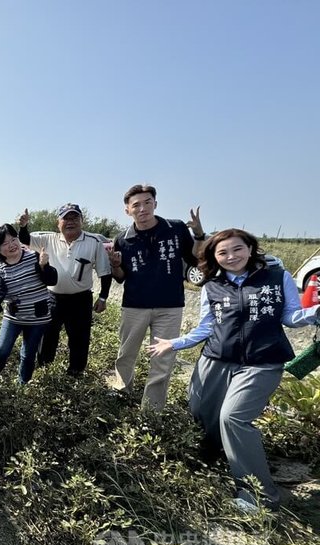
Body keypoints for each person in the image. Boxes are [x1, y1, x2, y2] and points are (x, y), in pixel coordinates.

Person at [148, 229, 318, 511]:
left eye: (237, 249)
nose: (231, 256)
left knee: (233, 418)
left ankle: (258, 495)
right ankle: (215, 460)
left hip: (261, 362)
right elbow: (205, 327)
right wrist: (174, 343)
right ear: (214, 257)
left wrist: (315, 313)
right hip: (216, 358)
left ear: (250, 249)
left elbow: (291, 316)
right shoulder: (212, 285)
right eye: (222, 252)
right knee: (202, 411)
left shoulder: (277, 277)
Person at [108, 184, 206, 411]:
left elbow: (195, 260)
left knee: (163, 360)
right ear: (127, 210)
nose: (142, 209)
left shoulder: (176, 229)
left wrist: (199, 234)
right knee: (126, 353)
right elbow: (121, 277)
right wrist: (115, 265)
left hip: (169, 307)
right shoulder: (122, 239)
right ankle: (122, 394)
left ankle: (151, 411)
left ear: (155, 204)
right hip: (134, 306)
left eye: (147, 203)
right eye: (136, 205)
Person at [17, 204, 112, 376]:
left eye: (75, 218)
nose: (70, 222)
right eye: (66, 218)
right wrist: (23, 226)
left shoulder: (94, 242)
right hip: (52, 297)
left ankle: (75, 373)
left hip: (81, 300)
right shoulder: (48, 239)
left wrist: (103, 297)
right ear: (58, 222)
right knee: (47, 337)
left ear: (82, 221)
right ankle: (45, 370)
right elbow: (25, 240)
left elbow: (105, 272)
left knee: (79, 339)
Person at [0, 224, 58, 384]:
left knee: (28, 355)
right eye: (5, 243)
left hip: (38, 318)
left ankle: (22, 385)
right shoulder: (1, 269)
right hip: (13, 317)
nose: (11, 245)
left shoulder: (34, 257)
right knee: (1, 351)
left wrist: (44, 266)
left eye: (13, 239)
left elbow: (52, 280)